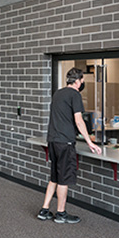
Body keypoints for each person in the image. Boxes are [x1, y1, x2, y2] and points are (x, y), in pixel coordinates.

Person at [38, 67, 101, 223]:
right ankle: (61, 213)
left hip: (53, 140)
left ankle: (44, 210)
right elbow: (79, 121)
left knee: (54, 177)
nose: (82, 84)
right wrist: (89, 141)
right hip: (65, 142)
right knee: (64, 179)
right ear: (78, 81)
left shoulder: (58, 93)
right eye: (82, 81)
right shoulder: (75, 95)